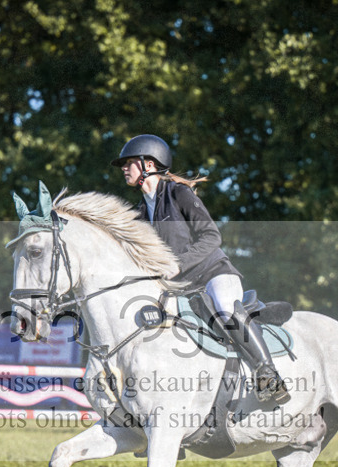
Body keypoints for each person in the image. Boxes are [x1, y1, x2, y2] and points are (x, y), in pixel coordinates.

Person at [112, 133, 288, 403]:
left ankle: (268, 374)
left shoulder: (178, 193)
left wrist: (178, 264)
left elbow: (212, 236)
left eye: (129, 163)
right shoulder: (141, 211)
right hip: (181, 286)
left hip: (214, 274)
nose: (124, 168)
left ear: (149, 164)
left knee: (227, 310)